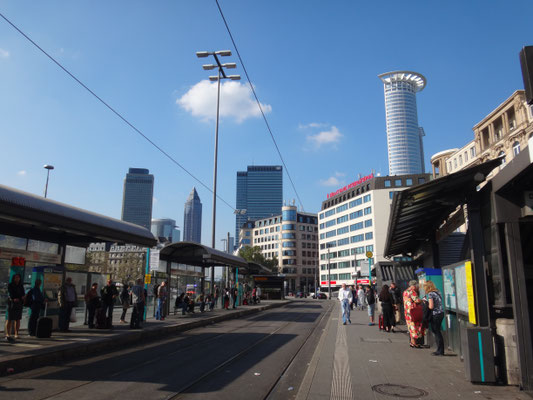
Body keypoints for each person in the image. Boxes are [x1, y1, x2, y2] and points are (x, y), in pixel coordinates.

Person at [424, 281, 445, 356]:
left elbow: (431, 306)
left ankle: (440, 351)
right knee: (437, 331)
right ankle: (440, 350)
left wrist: (425, 303)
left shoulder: (430, 294)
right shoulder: (438, 292)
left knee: (436, 332)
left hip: (435, 314)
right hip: (441, 313)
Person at [403, 280, 424, 348]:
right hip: (413, 312)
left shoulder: (405, 291)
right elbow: (417, 300)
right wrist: (423, 300)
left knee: (410, 327)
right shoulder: (412, 292)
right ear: (414, 285)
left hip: (407, 312)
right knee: (414, 327)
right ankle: (414, 343)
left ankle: (412, 342)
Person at [6, 273, 25, 340]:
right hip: (12, 303)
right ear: (13, 278)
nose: (17, 279)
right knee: (10, 319)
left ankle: (16, 333)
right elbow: (10, 293)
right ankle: (8, 333)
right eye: (16, 277)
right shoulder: (10, 285)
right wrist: (14, 298)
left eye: (18, 277)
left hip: (19, 303)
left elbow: (23, 293)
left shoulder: (21, 286)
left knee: (18, 319)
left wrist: (22, 297)